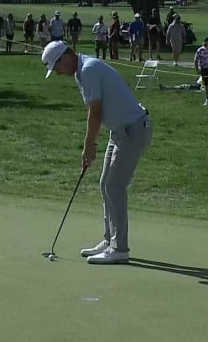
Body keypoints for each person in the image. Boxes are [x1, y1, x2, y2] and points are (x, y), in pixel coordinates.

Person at [41, 41, 152, 264]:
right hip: (119, 131)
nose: (58, 73)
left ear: (66, 57)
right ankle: (110, 240)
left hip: (133, 130)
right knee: (105, 184)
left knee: (114, 186)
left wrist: (89, 146)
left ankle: (119, 248)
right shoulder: (81, 72)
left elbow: (96, 112)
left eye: (57, 67)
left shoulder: (89, 69)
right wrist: (90, 145)